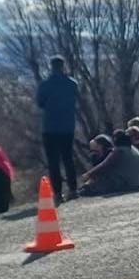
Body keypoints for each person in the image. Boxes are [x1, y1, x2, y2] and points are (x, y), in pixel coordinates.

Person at [36, 55, 79, 204]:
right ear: (63, 66)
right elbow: (75, 100)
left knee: (53, 161)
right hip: (68, 125)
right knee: (68, 158)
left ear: (51, 66)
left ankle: (58, 193)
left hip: (50, 126)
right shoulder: (72, 84)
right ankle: (73, 189)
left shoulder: (45, 85)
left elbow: (40, 103)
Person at [80, 129, 139, 195]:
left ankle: (87, 189)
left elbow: (104, 165)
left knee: (103, 182)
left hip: (131, 183)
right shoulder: (133, 148)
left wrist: (88, 174)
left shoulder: (119, 151)